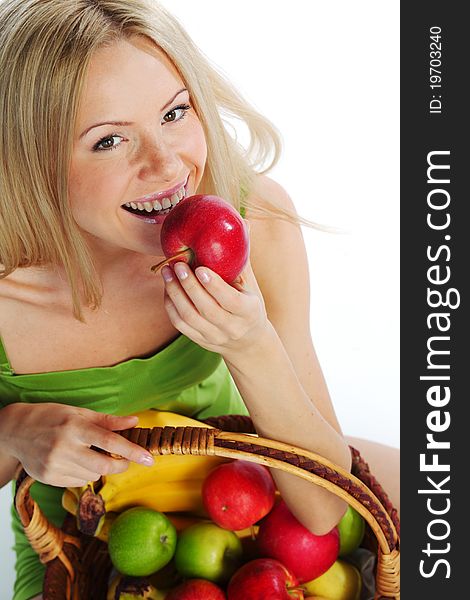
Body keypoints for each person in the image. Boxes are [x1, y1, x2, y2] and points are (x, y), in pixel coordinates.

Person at [0, 1, 399, 598]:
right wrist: (14, 433)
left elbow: (320, 510)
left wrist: (251, 344)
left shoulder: (253, 220)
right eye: (109, 140)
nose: (167, 164)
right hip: (87, 544)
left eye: (175, 112)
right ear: (31, 163)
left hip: (246, 479)